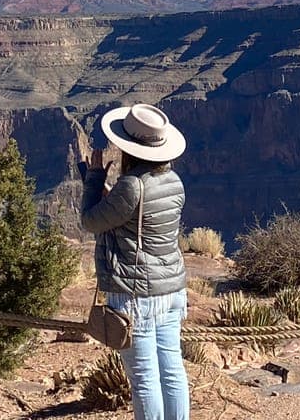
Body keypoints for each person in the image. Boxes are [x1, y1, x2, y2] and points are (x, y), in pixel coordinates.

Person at [81, 103, 190, 420]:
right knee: (172, 371)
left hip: (136, 296)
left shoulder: (132, 186)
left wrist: (93, 178)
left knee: (144, 379)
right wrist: (107, 190)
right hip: (170, 291)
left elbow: (91, 221)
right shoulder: (174, 181)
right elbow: (131, 216)